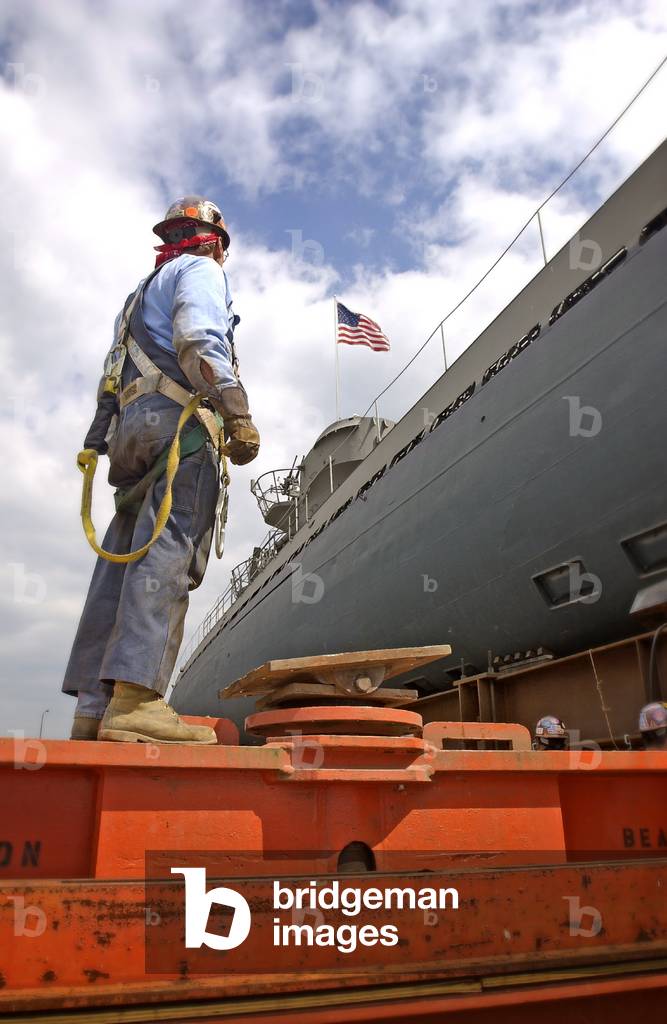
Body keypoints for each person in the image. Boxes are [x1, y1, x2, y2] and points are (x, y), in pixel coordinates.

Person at [63, 196, 259, 744]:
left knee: (120, 565)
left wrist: (95, 441)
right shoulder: (200, 271)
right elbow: (199, 339)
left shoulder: (135, 299)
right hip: (179, 426)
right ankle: (136, 702)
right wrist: (236, 410)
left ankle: (93, 711)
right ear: (216, 241)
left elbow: (109, 379)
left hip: (129, 433)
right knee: (169, 551)